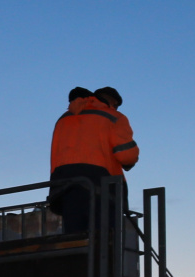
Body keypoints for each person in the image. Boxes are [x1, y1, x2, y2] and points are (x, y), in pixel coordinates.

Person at [48, 86, 138, 234]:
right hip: (101, 187)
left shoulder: (63, 119)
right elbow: (127, 156)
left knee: (75, 242)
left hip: (64, 187)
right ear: (112, 102)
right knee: (104, 243)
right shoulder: (113, 117)